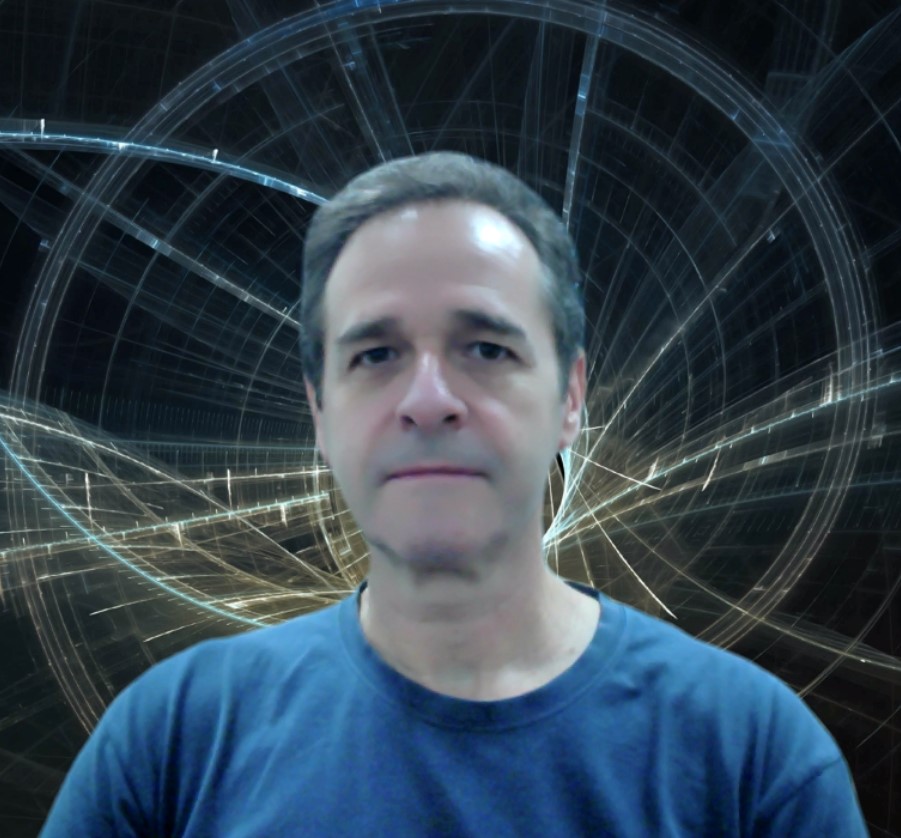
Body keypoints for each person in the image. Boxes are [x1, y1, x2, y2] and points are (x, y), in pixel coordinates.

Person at [41, 152, 867, 836]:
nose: (428, 399)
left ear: (571, 398)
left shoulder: (751, 755)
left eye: (485, 348)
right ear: (319, 413)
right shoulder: (172, 741)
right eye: (375, 355)